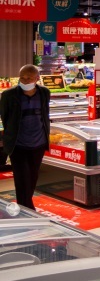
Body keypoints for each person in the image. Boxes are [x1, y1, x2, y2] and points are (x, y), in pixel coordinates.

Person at [0, 65, 50, 210]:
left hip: (39, 143)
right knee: (22, 178)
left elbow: (45, 114)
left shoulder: (44, 93)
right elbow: (5, 117)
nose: (25, 80)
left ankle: (25, 206)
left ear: (37, 78)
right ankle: (27, 209)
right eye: (22, 77)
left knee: (33, 177)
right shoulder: (9, 95)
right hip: (18, 144)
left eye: (29, 78)